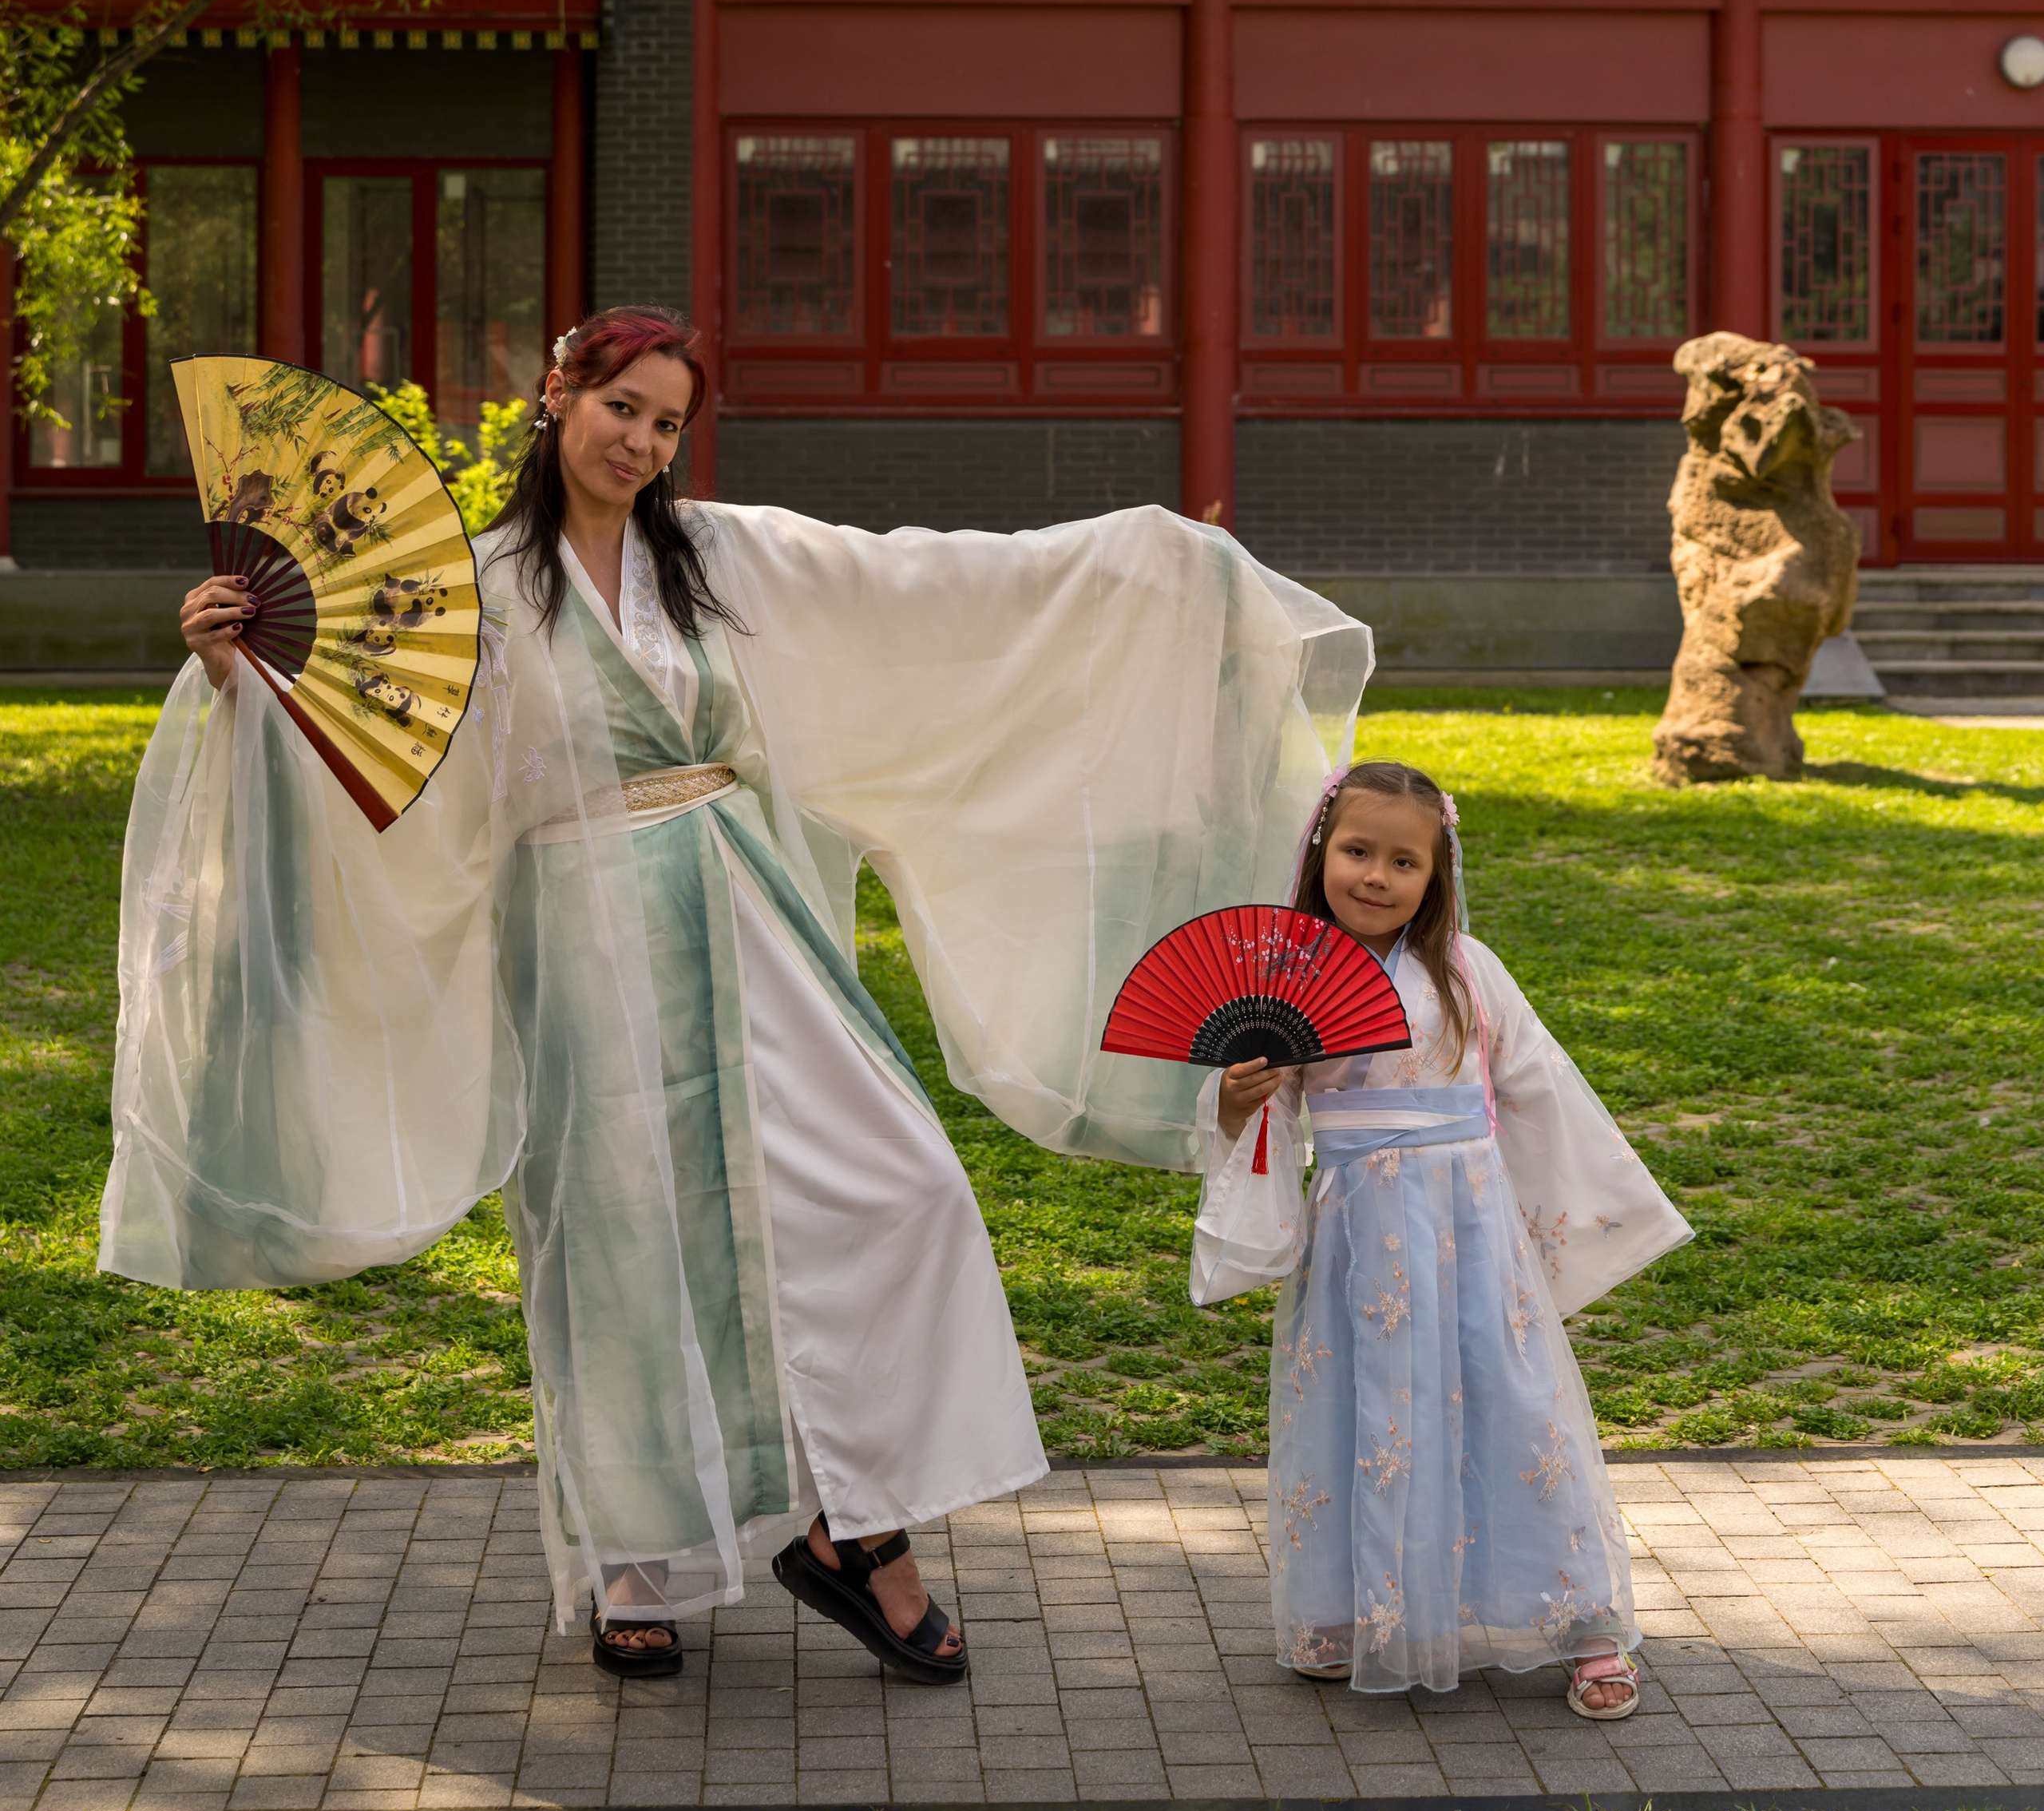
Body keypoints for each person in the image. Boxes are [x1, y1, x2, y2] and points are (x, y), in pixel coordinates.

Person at [106, 306, 1369, 1681]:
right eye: (622, 409)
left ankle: (854, 1525)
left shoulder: (718, 559)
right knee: (618, 1229)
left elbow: (922, 588)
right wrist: (246, 676)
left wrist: (1142, 564)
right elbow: (369, 763)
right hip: (581, 930)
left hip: (743, 903)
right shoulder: (465, 594)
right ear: (559, 397)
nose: (642, 442)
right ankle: (634, 1557)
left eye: (665, 422)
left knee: (899, 1187)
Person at [1199, 759, 1690, 1721]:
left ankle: (1585, 1623)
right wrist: (1232, 1103)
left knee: (1509, 1403)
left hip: (1468, 1227)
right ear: (1316, 852)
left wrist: (1573, 1217)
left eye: (1402, 861)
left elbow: (1539, 1086)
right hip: (1355, 1239)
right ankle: (1354, 1609)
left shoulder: (1467, 969)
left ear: (1437, 874)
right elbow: (1264, 1125)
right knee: (1357, 1406)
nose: (1375, 877)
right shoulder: (1284, 981)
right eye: (1355, 852)